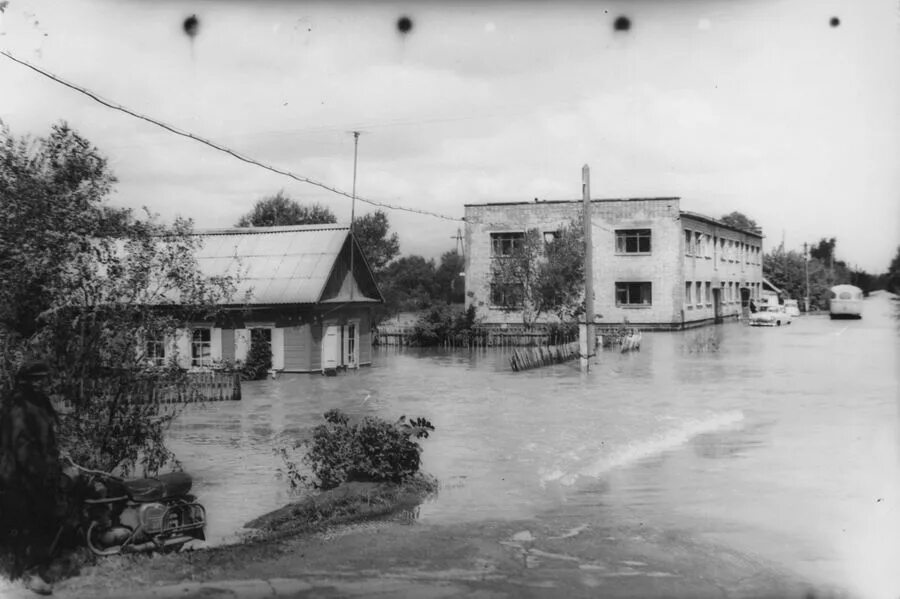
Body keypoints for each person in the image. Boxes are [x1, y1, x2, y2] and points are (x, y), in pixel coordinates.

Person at [0, 360, 63, 595]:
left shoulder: (39, 403)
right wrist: (44, 473)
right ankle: (30, 574)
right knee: (29, 523)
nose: (39, 383)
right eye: (35, 379)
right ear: (24, 382)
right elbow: (22, 448)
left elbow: (47, 438)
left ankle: (34, 568)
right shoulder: (18, 407)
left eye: (42, 379)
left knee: (43, 520)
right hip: (21, 476)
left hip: (38, 472)